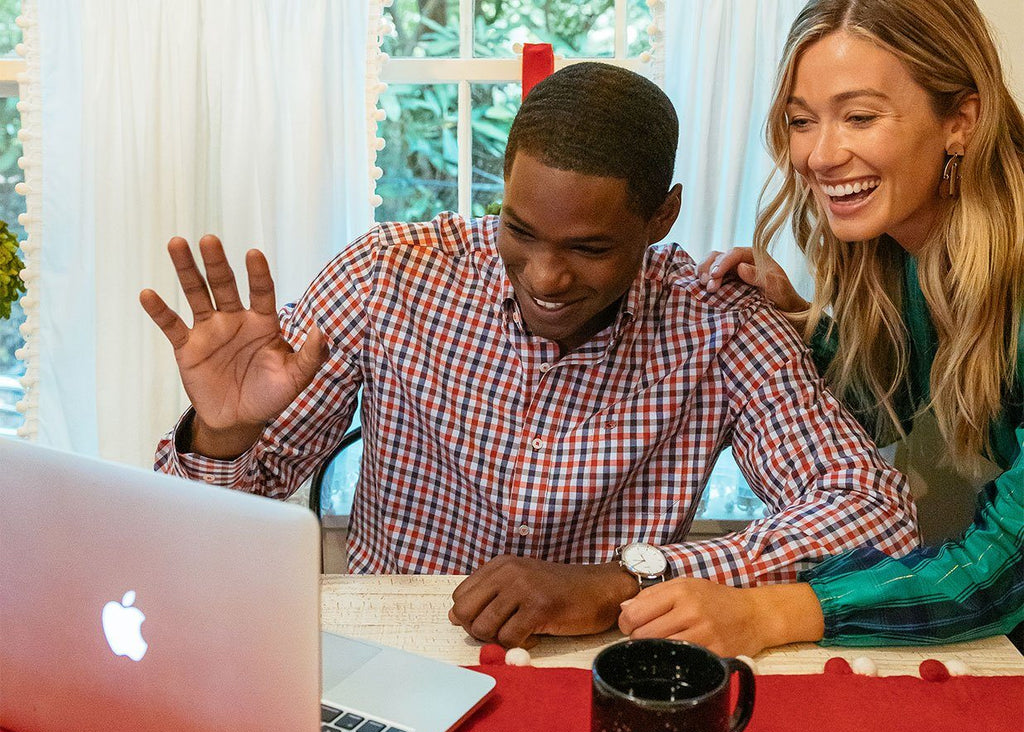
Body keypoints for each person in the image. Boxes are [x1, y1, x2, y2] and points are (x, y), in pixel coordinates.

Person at [141, 62, 916, 650]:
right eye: (520, 230)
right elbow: (204, 524)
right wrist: (224, 435)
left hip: (605, 663)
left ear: (661, 216)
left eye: (589, 247)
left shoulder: (717, 321)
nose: (545, 277)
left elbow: (877, 514)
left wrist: (623, 583)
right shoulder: (391, 274)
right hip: (394, 652)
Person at [619, 0, 1023, 658]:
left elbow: (1003, 566)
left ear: (961, 121)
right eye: (802, 121)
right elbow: (882, 407)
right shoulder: (899, 249)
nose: (818, 154)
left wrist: (767, 613)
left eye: (859, 116)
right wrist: (802, 323)